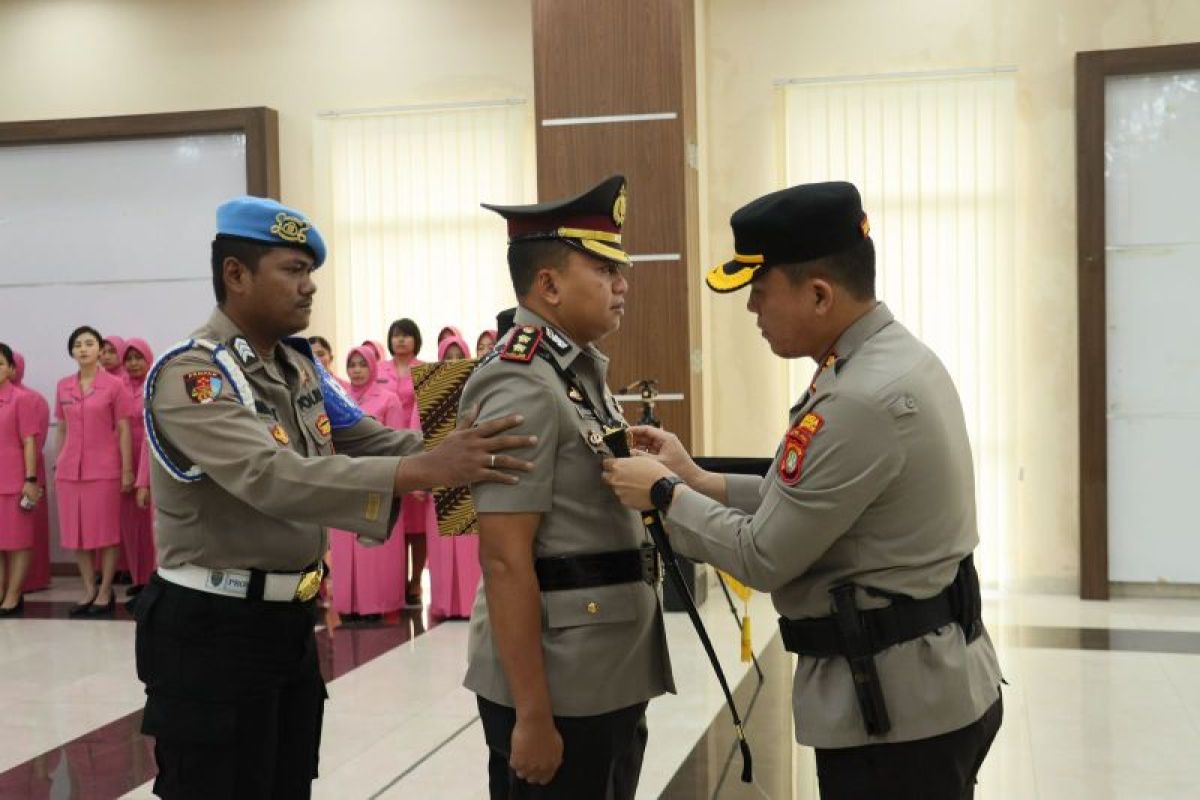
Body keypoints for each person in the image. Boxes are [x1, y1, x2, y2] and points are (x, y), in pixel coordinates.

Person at [602, 181, 1004, 800]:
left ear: (818, 294)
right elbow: (818, 501)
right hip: (926, 690)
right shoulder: (884, 360)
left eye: (760, 295)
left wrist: (664, 495)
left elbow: (764, 557)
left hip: (898, 722)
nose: (752, 312)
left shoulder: (859, 399)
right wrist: (702, 481)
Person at [133, 195, 535, 800]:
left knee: (286, 782)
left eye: (310, 272)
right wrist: (427, 468)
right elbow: (271, 475)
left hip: (287, 622)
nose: (309, 287)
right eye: (293, 271)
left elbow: (374, 439)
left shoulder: (297, 370)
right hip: (212, 630)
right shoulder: (196, 376)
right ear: (236, 275)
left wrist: (482, 449)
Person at [463, 175, 673, 798]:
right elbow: (505, 560)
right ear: (549, 285)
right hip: (560, 683)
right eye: (605, 268)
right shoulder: (521, 379)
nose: (622, 283)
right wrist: (531, 716)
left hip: (605, 668)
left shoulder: (574, 370)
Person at [55, 325, 134, 615]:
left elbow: (124, 429)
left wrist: (127, 470)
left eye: (89, 343)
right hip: (69, 471)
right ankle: (88, 588)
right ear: (72, 352)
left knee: (106, 532)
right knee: (76, 533)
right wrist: (58, 462)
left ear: (100, 350)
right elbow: (61, 427)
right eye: (78, 345)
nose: (83, 349)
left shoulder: (115, 385)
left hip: (104, 469)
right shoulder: (63, 385)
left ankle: (105, 590)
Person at [328, 345, 408, 619]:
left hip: (378, 483)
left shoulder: (389, 399)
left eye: (363, 364)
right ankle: (347, 605)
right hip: (343, 482)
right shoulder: (339, 399)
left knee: (372, 554)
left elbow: (396, 443)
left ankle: (378, 604)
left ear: (373, 367)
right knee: (343, 548)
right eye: (352, 365)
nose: (357, 370)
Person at [425, 332, 482, 620]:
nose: (454, 362)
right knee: (442, 548)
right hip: (440, 475)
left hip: (472, 475)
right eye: (448, 357)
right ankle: (444, 604)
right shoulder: (431, 393)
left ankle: (471, 603)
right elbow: (419, 436)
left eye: (459, 357)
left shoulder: (481, 390)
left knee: (472, 547)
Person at [385, 317, 431, 605]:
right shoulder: (376, 370)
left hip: (417, 449)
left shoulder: (425, 370)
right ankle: (395, 580)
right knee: (394, 522)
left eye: (406, 336)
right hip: (388, 452)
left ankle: (416, 581)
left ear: (416, 340)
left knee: (418, 525)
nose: (400, 340)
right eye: (396, 335)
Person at [0, 343, 40, 616]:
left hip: (15, 480)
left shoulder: (21, 399)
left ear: (11, 369)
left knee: (18, 542)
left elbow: (29, 442)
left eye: (0, 363)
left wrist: (30, 478)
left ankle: (14, 595)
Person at [10, 352, 51, 593]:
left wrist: (28, 474)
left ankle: (33, 578)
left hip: (29, 470)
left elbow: (35, 441)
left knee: (28, 529)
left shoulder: (32, 399)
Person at [120, 338, 156, 596]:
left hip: (148, 458)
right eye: (128, 359)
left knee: (151, 521)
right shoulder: (118, 387)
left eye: (138, 358)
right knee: (131, 524)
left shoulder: (155, 386)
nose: (133, 363)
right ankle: (138, 577)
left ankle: (155, 577)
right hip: (124, 459)